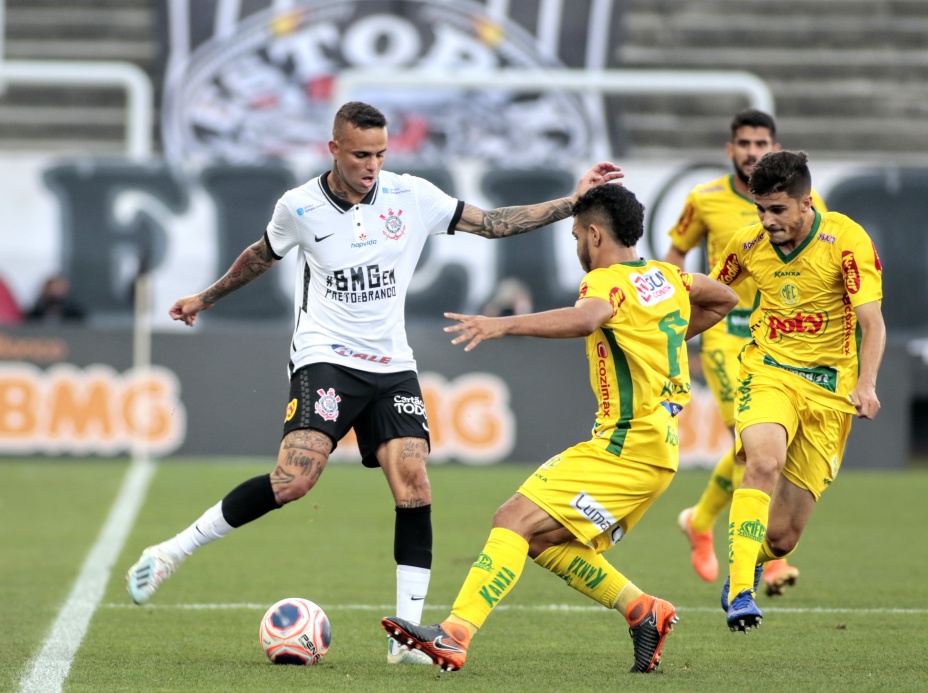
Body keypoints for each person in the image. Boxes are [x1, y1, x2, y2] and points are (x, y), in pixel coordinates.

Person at [124, 101, 624, 665]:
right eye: (361, 155)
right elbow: (259, 257)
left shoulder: (411, 196)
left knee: (414, 481)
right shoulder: (300, 206)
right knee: (293, 480)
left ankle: (404, 637)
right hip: (325, 357)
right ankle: (171, 551)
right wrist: (203, 298)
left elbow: (492, 223)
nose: (373, 165)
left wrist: (572, 203)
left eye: (381, 154)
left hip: (391, 363)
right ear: (333, 149)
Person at [381, 183, 738, 673]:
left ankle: (455, 634)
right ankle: (643, 611)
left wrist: (501, 325)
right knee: (545, 541)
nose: (575, 246)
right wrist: (662, 333)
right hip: (653, 451)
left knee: (512, 520)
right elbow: (725, 297)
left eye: (575, 235)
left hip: (626, 446)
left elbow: (585, 320)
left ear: (594, 234)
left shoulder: (606, 281)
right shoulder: (665, 278)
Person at [710, 150, 884, 631]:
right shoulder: (747, 246)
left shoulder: (845, 240)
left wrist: (866, 383)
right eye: (759, 210)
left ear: (806, 203)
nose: (766, 221)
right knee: (763, 461)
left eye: (777, 210)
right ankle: (742, 588)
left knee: (784, 538)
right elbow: (708, 295)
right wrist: (668, 340)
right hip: (769, 370)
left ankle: (754, 560)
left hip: (831, 391)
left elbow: (872, 322)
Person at [664, 109, 826, 595]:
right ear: (730, 150)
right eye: (744, 143)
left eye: (762, 143)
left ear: (772, 147)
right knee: (755, 440)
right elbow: (676, 255)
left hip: (778, 338)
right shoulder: (704, 199)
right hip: (725, 331)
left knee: (756, 448)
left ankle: (701, 519)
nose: (752, 151)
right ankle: (767, 560)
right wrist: (674, 316)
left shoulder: (797, 202)